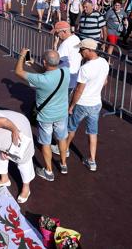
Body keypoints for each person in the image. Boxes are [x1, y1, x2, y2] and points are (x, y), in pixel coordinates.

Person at [15, 49, 70, 178]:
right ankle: (63, 164)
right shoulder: (65, 72)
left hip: (46, 116)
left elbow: (18, 71)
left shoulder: (40, 79)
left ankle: (49, 171)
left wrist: (22, 55)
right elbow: (49, 71)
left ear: (45, 62)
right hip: (62, 113)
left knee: (46, 143)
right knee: (62, 139)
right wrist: (34, 65)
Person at [65, 39, 110, 172]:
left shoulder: (85, 68)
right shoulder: (104, 63)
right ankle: (92, 160)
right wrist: (95, 88)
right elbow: (105, 81)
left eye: (81, 49)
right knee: (92, 132)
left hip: (82, 103)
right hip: (96, 103)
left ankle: (65, 149)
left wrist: (71, 106)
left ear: (89, 50)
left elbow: (79, 90)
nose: (80, 52)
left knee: (71, 127)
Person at [50, 21, 82, 159]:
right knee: (65, 110)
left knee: (61, 112)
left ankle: (62, 145)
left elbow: (55, 61)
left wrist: (55, 46)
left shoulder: (65, 44)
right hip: (74, 77)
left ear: (63, 31)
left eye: (57, 33)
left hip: (66, 79)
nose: (57, 35)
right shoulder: (76, 39)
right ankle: (63, 143)